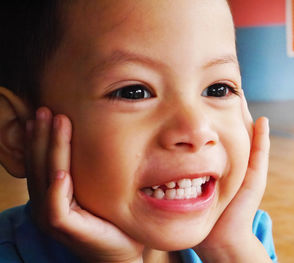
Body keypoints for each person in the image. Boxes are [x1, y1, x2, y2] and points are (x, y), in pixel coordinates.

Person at [0, 1, 277, 262]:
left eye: (218, 89)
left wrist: (229, 250)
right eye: (134, 92)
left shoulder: (245, 236)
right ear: (17, 136)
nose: (196, 130)